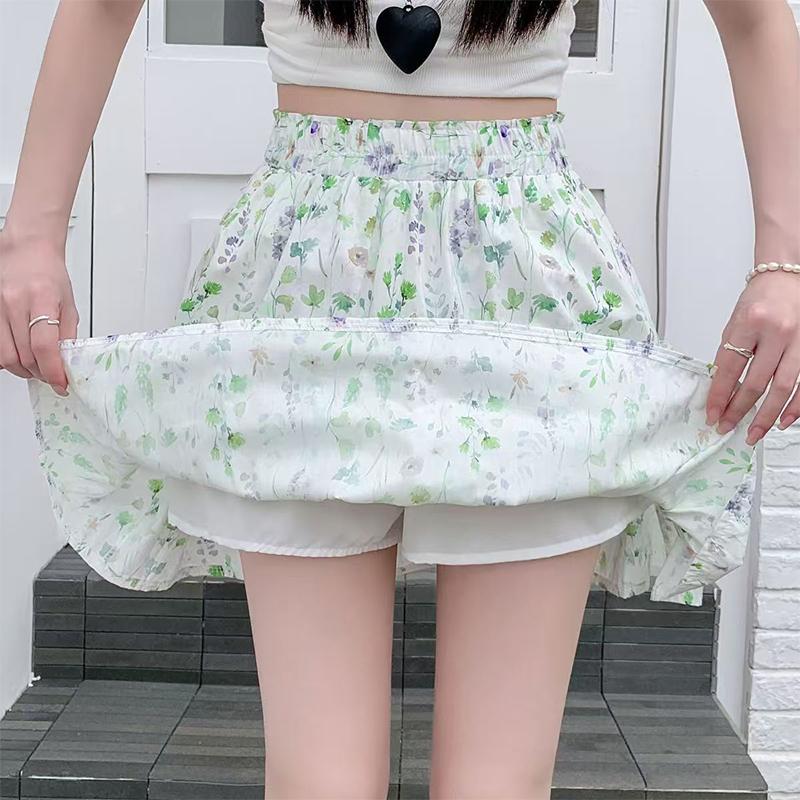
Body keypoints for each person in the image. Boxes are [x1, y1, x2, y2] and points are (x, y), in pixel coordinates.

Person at [1, 0, 799, 797]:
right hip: (313, 282)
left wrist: (786, 265)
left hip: (523, 292)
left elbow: (756, 18)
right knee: (319, 784)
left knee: (497, 786)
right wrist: (31, 234)